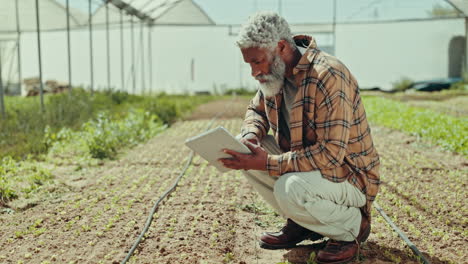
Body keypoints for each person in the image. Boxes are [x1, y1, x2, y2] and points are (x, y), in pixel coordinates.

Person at [218, 11, 380, 264]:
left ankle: (352, 228)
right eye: (249, 63)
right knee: (245, 147)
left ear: (280, 47)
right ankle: (303, 223)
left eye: (257, 62)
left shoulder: (328, 76)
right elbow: (256, 111)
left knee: (289, 187)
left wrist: (267, 163)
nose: (253, 71)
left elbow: (329, 155)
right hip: (311, 170)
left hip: (348, 175)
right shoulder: (274, 75)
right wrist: (251, 134)